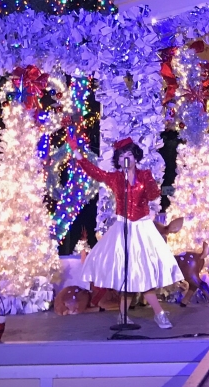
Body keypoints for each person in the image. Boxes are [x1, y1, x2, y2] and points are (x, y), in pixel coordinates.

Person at [74, 137, 181, 329]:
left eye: (129, 154)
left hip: (141, 229)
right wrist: (77, 154)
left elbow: (154, 195)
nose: (126, 158)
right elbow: (95, 172)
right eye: (122, 155)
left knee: (143, 273)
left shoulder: (145, 175)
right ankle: (123, 316)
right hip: (122, 228)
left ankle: (159, 313)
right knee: (126, 274)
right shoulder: (115, 178)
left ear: (135, 156)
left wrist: (149, 192)